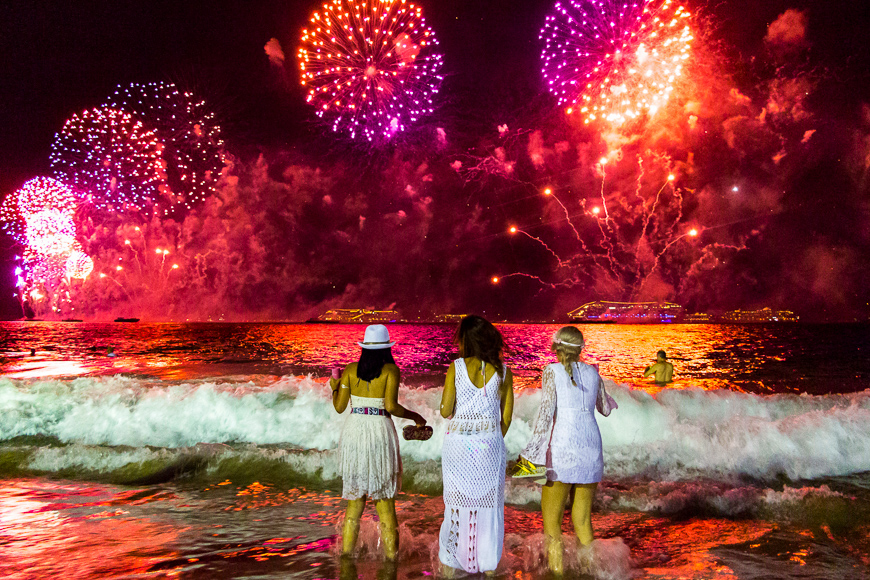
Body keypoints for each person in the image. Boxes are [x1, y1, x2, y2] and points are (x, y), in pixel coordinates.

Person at [514, 326, 616, 575]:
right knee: (582, 521)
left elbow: (545, 415)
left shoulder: (551, 371)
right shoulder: (593, 372)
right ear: (581, 349)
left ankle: (558, 574)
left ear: (557, 348)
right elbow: (604, 408)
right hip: (591, 446)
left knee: (552, 525)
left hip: (563, 447)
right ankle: (592, 573)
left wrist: (530, 454)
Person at [329, 324, 427, 560]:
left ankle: (346, 558)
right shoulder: (391, 371)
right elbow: (391, 407)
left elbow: (340, 406)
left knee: (354, 504)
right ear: (387, 349)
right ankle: (392, 561)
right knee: (385, 505)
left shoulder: (351, 370)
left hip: (355, 430)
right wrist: (416, 417)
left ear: (364, 347)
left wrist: (334, 386)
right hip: (379, 431)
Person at [438, 315, 514, 575]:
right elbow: (506, 418)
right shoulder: (503, 371)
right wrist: (490, 440)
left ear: (466, 340)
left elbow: (446, 409)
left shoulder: (455, 367)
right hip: (489, 445)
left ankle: (451, 566)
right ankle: (488, 568)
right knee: (489, 507)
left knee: (456, 505)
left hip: (457, 447)